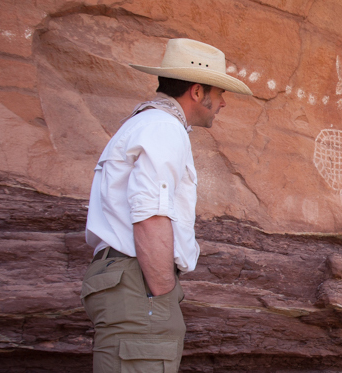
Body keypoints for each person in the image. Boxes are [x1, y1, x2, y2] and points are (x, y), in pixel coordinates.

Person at [80, 38, 252, 372]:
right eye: (220, 94)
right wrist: (161, 293)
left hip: (126, 280)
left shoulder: (144, 124)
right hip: (139, 283)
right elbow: (150, 215)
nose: (223, 104)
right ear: (198, 92)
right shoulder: (163, 128)